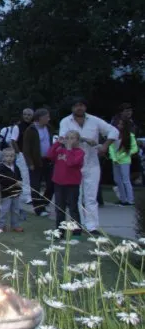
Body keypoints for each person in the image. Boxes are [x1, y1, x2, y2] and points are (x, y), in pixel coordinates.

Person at [57, 96, 118, 237]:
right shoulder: (66, 121)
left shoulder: (94, 120)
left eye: (82, 105)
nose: (79, 108)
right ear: (72, 108)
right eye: (76, 106)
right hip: (73, 165)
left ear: (85, 107)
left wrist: (105, 146)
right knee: (75, 197)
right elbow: (63, 138)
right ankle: (77, 225)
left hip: (91, 163)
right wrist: (84, 139)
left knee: (90, 197)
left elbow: (113, 131)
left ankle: (92, 226)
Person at [49, 130, 85, 234]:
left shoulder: (80, 152)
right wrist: (57, 143)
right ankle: (60, 231)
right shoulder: (60, 150)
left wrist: (69, 149)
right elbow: (50, 155)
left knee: (73, 208)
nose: (69, 140)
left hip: (72, 184)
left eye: (72, 138)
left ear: (78, 140)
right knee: (59, 209)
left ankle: (76, 232)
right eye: (67, 138)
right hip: (59, 183)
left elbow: (71, 163)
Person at [22, 108, 54, 217]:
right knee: (35, 186)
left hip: (48, 160)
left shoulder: (48, 128)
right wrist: (30, 163)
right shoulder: (30, 130)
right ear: (40, 118)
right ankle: (39, 209)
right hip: (35, 161)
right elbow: (26, 149)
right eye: (46, 117)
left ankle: (43, 202)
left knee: (51, 184)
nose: (49, 119)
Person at [109, 119, 138, 206]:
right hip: (115, 161)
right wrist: (114, 158)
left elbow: (134, 149)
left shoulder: (130, 136)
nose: (119, 126)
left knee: (126, 180)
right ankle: (123, 199)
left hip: (125, 161)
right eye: (118, 124)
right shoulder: (114, 135)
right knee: (117, 180)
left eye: (121, 124)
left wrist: (124, 155)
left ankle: (130, 200)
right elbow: (111, 147)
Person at [0, 147, 24, 232]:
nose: (10, 158)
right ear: (3, 157)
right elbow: (3, 180)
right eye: (7, 156)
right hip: (6, 193)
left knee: (15, 210)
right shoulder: (2, 167)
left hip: (15, 192)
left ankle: (15, 225)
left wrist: (20, 181)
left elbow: (19, 177)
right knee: (4, 210)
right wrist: (14, 182)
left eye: (11, 156)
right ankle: (1, 226)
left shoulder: (16, 167)